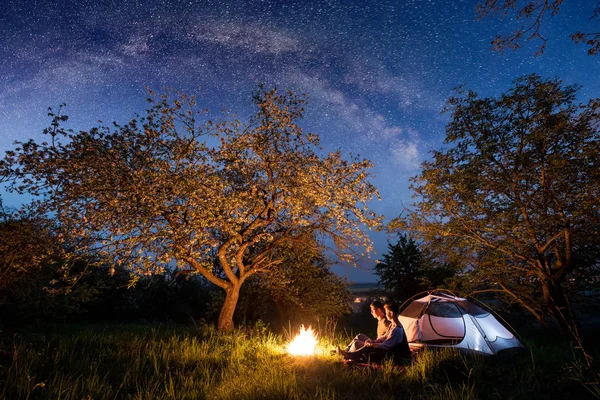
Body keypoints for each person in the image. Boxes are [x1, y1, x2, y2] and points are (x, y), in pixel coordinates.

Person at [340, 301, 411, 365]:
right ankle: (350, 354)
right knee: (366, 343)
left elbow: (386, 346)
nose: (385, 315)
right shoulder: (392, 325)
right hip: (387, 350)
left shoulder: (397, 330)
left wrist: (373, 344)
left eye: (386, 313)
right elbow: (384, 337)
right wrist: (373, 341)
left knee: (366, 346)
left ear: (391, 313)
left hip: (394, 356)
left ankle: (350, 355)